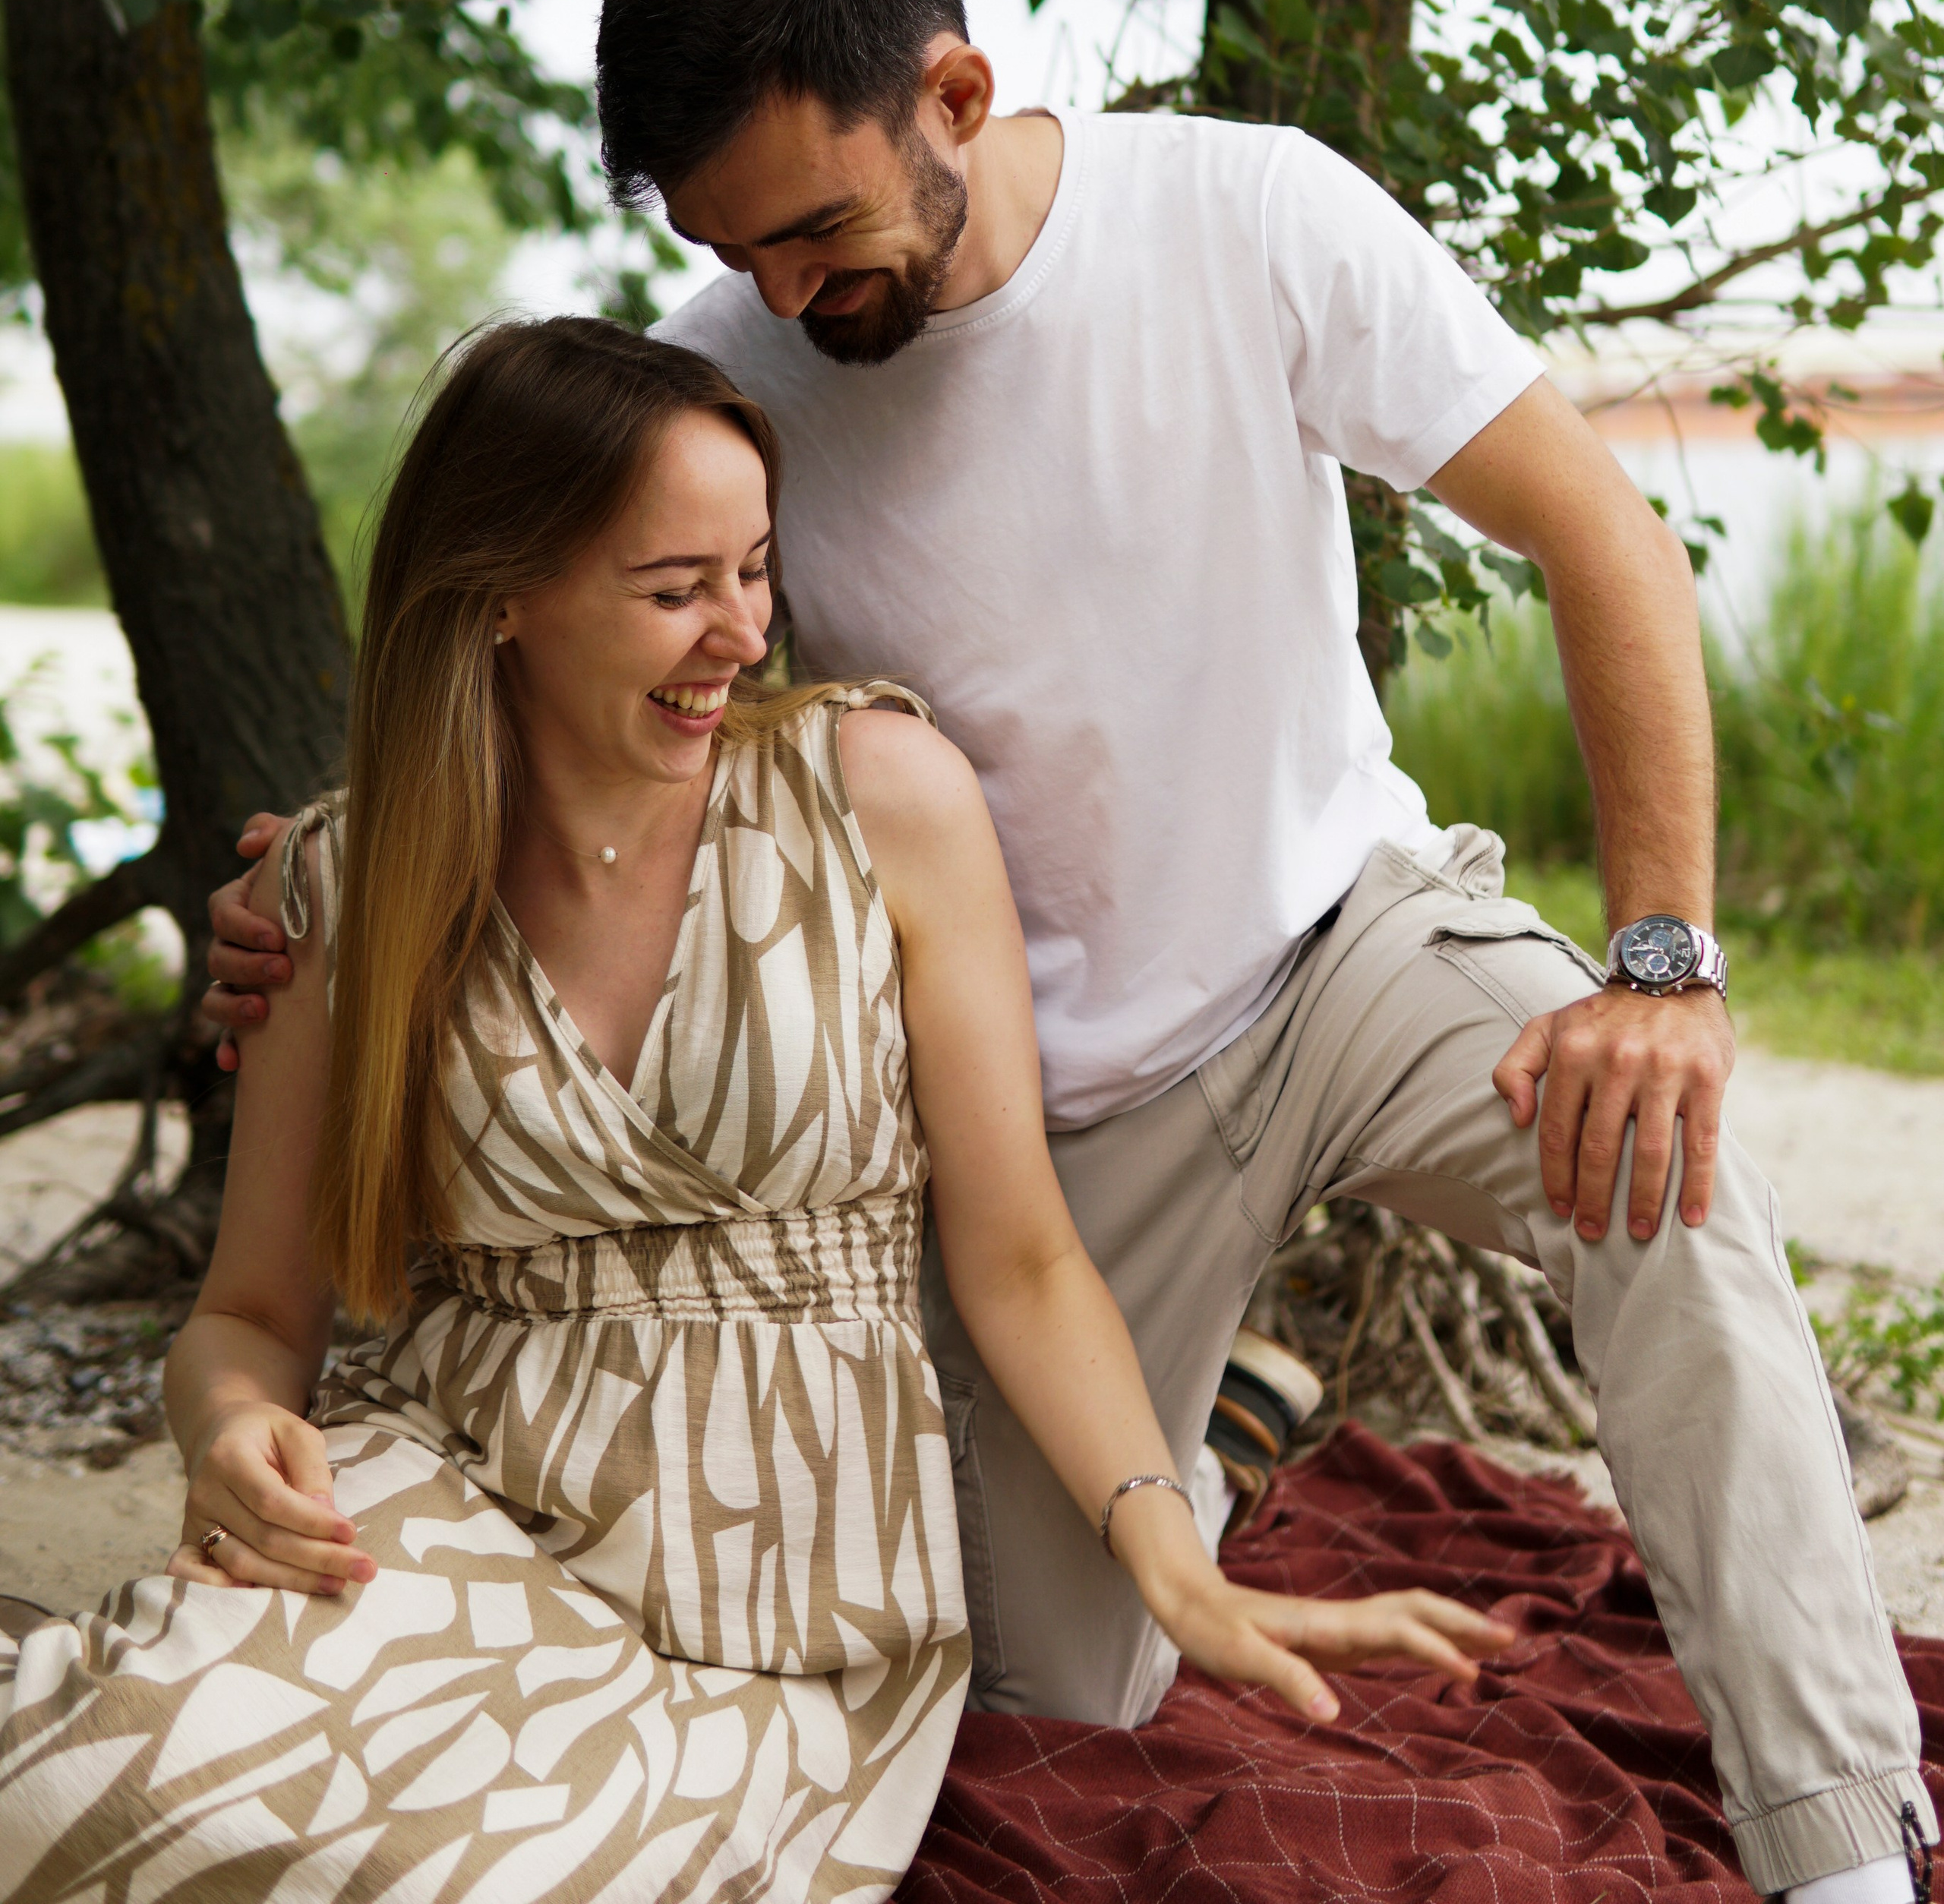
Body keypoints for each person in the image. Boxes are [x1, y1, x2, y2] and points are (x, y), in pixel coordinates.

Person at [206, 0, 1936, 1904]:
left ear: (953, 94)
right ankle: (1220, 1435)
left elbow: (1602, 538)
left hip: (1342, 943)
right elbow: (578, 671)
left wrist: (1659, 965)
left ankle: (1839, 1844)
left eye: (816, 230)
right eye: (732, 246)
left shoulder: (1249, 215)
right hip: (1047, 1117)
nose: (782, 294)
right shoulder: (728, 368)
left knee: (1666, 1174)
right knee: (1042, 1727)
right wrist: (331, 886)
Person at [0, 320, 1504, 1903]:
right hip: (454, 1490)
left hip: (785, 1589)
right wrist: (233, 1427)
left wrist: (1172, 1561)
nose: (741, 632)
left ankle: (1222, 1445)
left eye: (757, 570)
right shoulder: (344, 881)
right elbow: (248, 1317)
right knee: (69, 1789)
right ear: (500, 595)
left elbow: (1021, 1259)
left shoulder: (876, 797)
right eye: (673, 590)